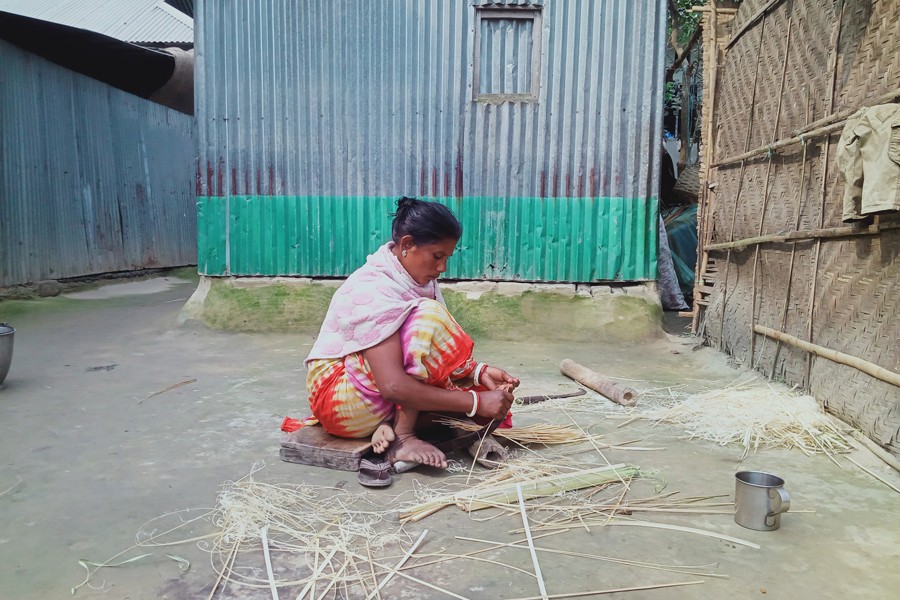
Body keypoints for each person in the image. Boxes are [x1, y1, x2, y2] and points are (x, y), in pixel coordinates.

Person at [305, 197, 519, 484]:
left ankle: (394, 426)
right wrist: (474, 402)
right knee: (428, 319)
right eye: (437, 256)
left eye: (447, 258)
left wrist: (476, 372)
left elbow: (423, 354)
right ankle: (402, 438)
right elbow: (393, 386)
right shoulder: (373, 287)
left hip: (368, 395)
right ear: (406, 245)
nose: (442, 267)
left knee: (461, 385)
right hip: (338, 402)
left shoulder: (415, 282)